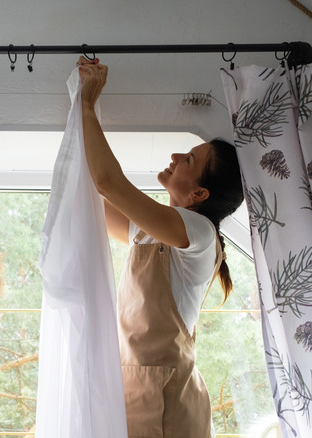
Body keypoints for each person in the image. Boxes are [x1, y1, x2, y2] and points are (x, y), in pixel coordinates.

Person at [77, 56, 245, 437]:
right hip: (140, 394)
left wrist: (87, 104)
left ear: (199, 194)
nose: (175, 157)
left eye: (188, 160)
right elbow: (93, 197)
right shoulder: (151, 232)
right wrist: (80, 117)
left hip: (167, 406)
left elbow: (108, 183)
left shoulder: (200, 233)